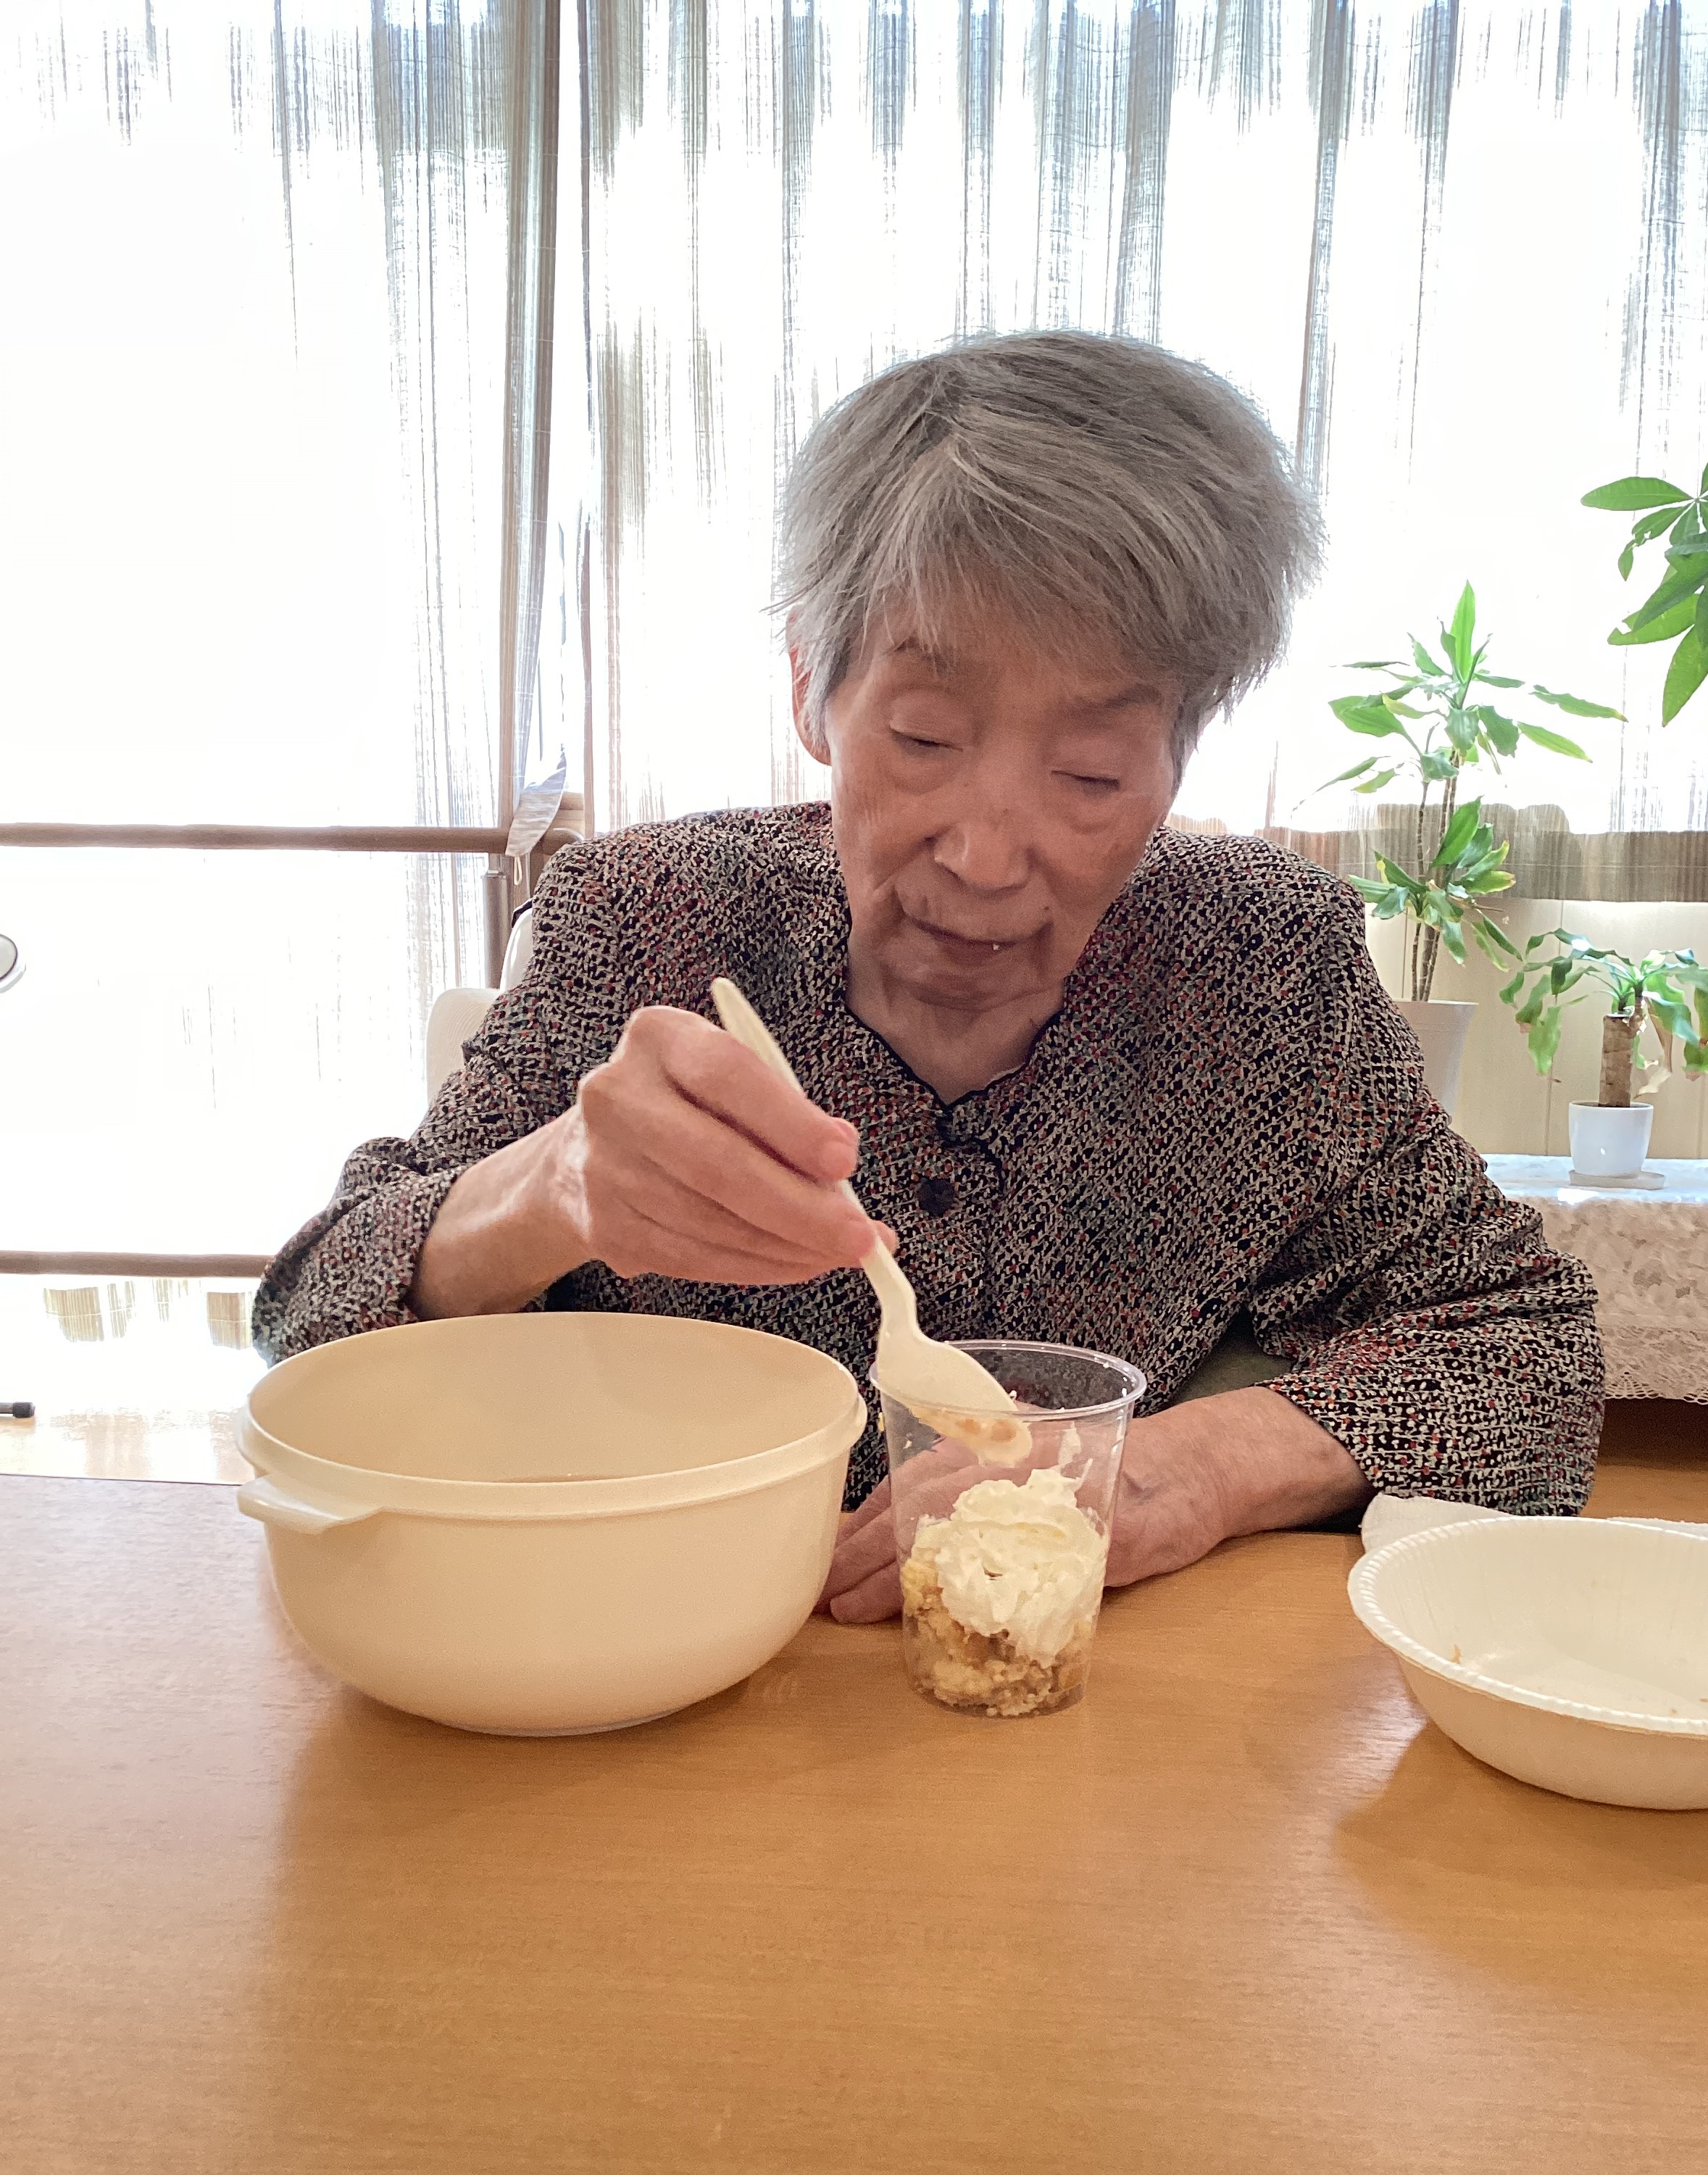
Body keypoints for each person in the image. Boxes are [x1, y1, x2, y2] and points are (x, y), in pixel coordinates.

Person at [254, 329, 1603, 1623]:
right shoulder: (646, 916)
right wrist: (552, 1186)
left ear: (1179, 758)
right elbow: (311, 1314)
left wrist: (1171, 1470)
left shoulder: (1261, 967)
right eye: (923, 738)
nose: (986, 855)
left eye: (1090, 775)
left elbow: (1528, 1349)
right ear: (813, 687)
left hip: (1083, 1701)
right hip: (644, 1656)